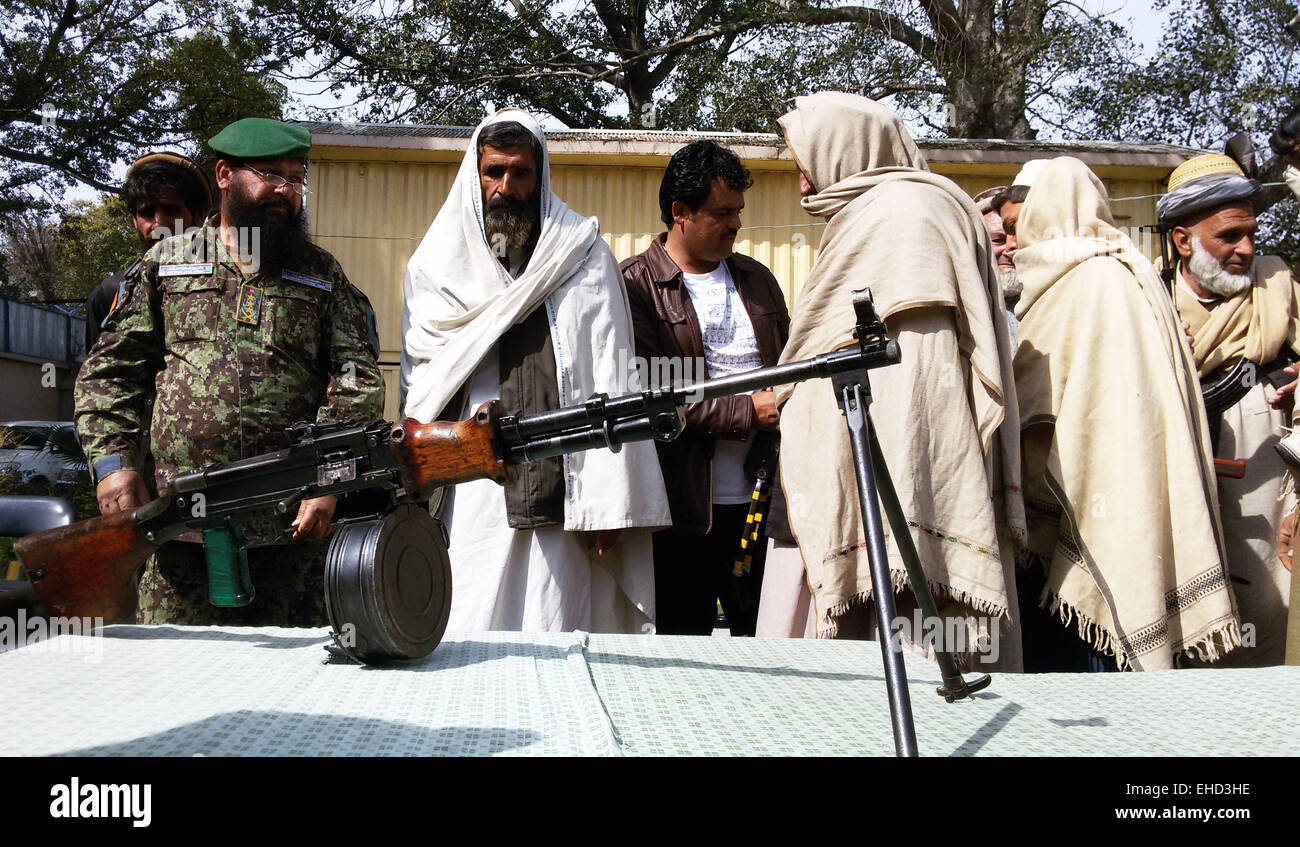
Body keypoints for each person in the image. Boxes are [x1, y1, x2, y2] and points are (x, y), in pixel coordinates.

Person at [75, 117, 385, 625]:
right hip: (179, 537)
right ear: (224, 175)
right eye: (270, 174)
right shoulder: (167, 263)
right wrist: (113, 465)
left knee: (297, 690)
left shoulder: (321, 273)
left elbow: (355, 378)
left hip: (294, 536)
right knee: (175, 685)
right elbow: (111, 372)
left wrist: (330, 478)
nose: (286, 190)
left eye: (296, 177)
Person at [766, 92, 1025, 671]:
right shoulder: (876, 215)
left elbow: (919, 381)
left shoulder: (906, 216)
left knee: (911, 659)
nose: (803, 186)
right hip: (856, 461)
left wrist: (909, 497)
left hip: (899, 474)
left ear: (844, 150)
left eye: (805, 166)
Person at [401, 110, 670, 633]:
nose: (506, 187)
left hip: (566, 481)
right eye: (494, 171)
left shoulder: (582, 255)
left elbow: (612, 375)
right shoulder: (435, 267)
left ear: (539, 176)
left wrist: (612, 499)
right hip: (471, 478)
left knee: (559, 620)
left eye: (520, 173)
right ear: (473, 174)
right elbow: (423, 384)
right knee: (469, 619)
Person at [1010, 155, 1239, 670]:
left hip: (1088, 526)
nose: (1018, 238)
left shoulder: (1084, 283)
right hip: (1108, 509)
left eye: (1017, 224)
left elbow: (1034, 413)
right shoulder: (1128, 273)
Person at [621, 140, 791, 636]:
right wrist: (748, 413)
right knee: (681, 652)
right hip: (680, 515)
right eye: (722, 213)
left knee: (768, 646)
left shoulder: (757, 280)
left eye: (739, 211)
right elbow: (651, 396)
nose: (736, 224)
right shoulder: (635, 286)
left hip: (764, 507)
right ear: (680, 212)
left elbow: (791, 369)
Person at [1158, 153, 1295, 666]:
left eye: (1251, 234)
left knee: (1266, 618)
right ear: (1182, 240)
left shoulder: (1278, 287)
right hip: (1174, 484)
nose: (1246, 250)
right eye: (1229, 236)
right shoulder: (1147, 297)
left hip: (1266, 490)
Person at [84, 152, 213, 355]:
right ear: (135, 220)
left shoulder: (224, 287)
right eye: (146, 212)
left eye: (171, 210)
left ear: (198, 217)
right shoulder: (110, 294)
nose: (158, 224)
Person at [972, 184, 1022, 344]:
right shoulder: (965, 311)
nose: (1009, 248)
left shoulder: (1046, 304)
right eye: (998, 240)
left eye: (1018, 237)